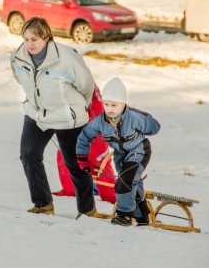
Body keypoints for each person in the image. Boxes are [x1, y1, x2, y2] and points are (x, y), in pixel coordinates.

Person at [10, 17, 98, 218]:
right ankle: (43, 205)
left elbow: (86, 85)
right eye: (26, 39)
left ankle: (87, 210)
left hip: (68, 118)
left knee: (75, 165)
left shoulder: (65, 58)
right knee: (29, 154)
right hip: (37, 114)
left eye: (35, 39)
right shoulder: (17, 58)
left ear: (46, 37)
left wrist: (76, 109)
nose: (30, 44)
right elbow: (23, 81)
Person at [76, 77, 161, 226]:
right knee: (132, 183)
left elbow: (154, 127)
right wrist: (83, 159)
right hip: (120, 155)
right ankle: (142, 216)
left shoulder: (134, 117)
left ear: (123, 104)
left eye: (114, 105)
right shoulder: (100, 122)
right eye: (106, 104)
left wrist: (145, 121)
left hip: (139, 151)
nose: (109, 108)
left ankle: (124, 215)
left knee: (124, 183)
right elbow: (84, 137)